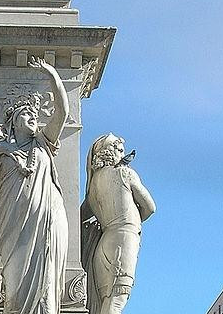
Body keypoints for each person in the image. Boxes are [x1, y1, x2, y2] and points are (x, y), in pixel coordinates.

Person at [0, 57, 69, 314]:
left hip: (47, 220)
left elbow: (62, 113)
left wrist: (52, 75)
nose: (34, 118)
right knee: (15, 291)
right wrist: (3, 147)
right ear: (14, 121)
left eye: (35, 115)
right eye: (27, 114)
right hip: (15, 223)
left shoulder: (43, 142)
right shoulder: (0, 153)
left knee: (46, 283)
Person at [81, 134, 156, 314]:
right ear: (110, 152)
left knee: (106, 299)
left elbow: (80, 216)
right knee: (118, 297)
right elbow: (150, 207)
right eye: (120, 150)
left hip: (103, 243)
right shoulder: (125, 173)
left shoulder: (92, 188)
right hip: (124, 238)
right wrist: (132, 221)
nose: (123, 155)